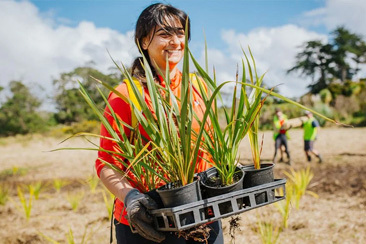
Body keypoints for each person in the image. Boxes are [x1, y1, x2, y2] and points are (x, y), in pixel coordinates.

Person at [95, 3, 223, 244]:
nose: (175, 41)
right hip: (149, 221)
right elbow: (106, 163)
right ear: (144, 42)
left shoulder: (200, 88)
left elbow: (213, 146)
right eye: (165, 34)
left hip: (204, 216)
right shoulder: (127, 95)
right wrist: (130, 197)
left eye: (181, 33)